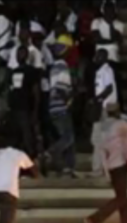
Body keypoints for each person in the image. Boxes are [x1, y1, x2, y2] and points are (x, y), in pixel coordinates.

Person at [85, 103, 127, 223]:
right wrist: (124, 115)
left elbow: (102, 151)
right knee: (121, 198)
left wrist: (105, 172)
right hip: (120, 165)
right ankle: (94, 219)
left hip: (111, 166)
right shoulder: (119, 124)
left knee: (123, 197)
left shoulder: (102, 128)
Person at [47, 36, 77, 177]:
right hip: (61, 106)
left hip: (54, 106)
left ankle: (67, 167)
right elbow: (59, 88)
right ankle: (52, 152)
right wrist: (68, 102)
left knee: (67, 138)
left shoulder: (55, 65)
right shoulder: (62, 66)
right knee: (68, 138)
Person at [8, 45, 41, 158]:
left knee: (28, 137)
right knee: (16, 138)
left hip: (25, 108)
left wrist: (35, 110)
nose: (20, 56)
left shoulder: (31, 71)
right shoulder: (13, 72)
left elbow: (36, 91)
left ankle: (32, 161)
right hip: (14, 109)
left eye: (22, 53)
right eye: (18, 53)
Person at [91, 49, 118, 176]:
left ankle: (102, 169)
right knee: (98, 139)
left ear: (104, 57)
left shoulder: (107, 70)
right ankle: (100, 168)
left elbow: (109, 88)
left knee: (101, 139)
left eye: (98, 55)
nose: (95, 57)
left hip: (106, 108)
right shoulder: (100, 71)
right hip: (101, 107)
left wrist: (98, 99)